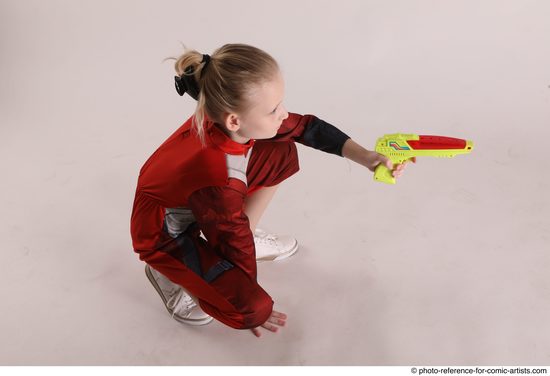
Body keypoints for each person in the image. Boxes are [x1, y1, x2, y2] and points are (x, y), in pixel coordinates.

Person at [130, 43, 411, 338]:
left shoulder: (224, 117)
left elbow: (306, 127)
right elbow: (231, 241)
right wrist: (246, 297)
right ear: (234, 120)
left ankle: (231, 244)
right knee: (253, 308)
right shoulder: (219, 179)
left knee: (281, 148)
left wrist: (366, 156)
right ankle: (167, 274)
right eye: (274, 109)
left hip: (197, 200)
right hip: (161, 232)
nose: (284, 113)